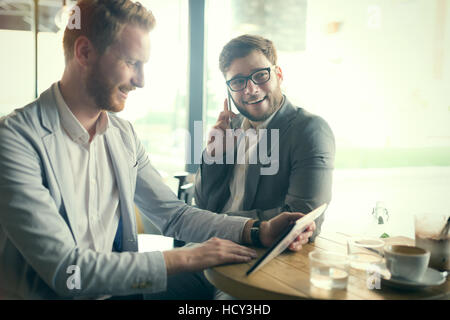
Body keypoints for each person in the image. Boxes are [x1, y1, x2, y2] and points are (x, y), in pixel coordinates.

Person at [0, 1, 315, 300]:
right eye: (131, 63)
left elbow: (173, 214)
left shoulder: (123, 135)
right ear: (84, 52)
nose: (141, 80)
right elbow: (67, 271)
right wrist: (186, 257)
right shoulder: (15, 140)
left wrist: (258, 231)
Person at [194, 35, 335, 240]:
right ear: (229, 89)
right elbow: (202, 204)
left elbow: (303, 219)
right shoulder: (230, 128)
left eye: (260, 75)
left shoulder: (309, 130)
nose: (251, 89)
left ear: (278, 74)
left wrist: (216, 224)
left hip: (260, 256)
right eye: (238, 81)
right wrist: (213, 157)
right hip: (209, 247)